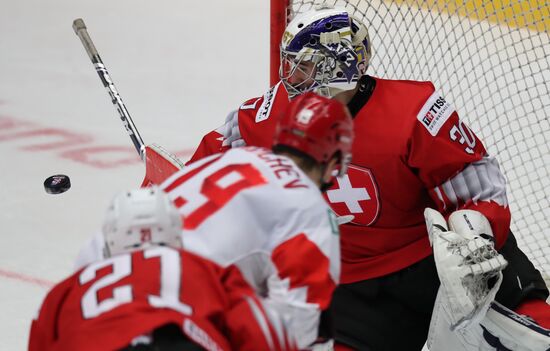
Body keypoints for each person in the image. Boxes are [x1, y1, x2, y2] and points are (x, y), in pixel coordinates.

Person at [184, 6, 550, 350]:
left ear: (340, 66)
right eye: (290, 66)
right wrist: (164, 205)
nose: (290, 80)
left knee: (530, 335)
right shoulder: (265, 117)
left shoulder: (412, 112)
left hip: (440, 263)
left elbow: (475, 181)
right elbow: (205, 167)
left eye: (305, 68)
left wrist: (477, 239)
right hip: (355, 288)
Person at [158, 92, 353, 349]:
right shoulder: (309, 209)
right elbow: (293, 329)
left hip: (108, 290)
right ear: (335, 160)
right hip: (175, 321)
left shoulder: (228, 159)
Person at [29, 187, 294, 351]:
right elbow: (263, 332)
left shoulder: (66, 290)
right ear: (174, 233)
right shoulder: (202, 268)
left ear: (110, 238)